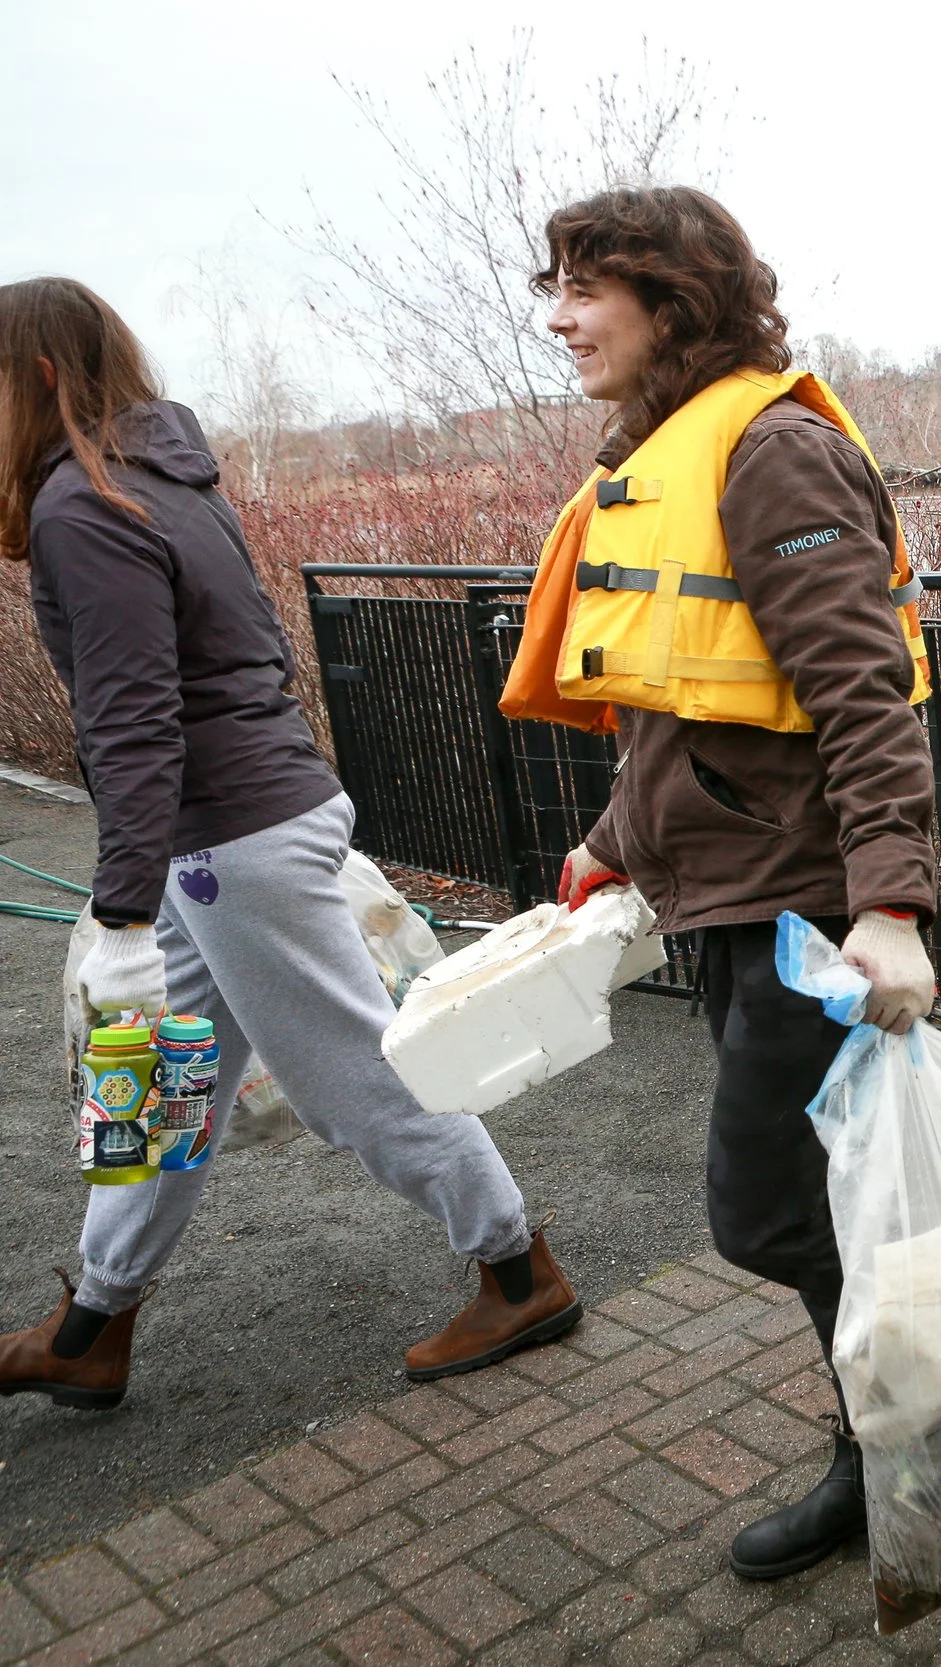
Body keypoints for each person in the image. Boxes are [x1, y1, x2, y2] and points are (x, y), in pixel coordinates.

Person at [0, 278, 578, 1411]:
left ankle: (520, 1271)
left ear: (43, 377)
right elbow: (247, 663)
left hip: (229, 841)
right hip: (239, 825)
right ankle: (92, 1321)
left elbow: (134, 720)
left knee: (356, 1076)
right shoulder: (171, 482)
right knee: (165, 1078)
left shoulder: (87, 505)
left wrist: (122, 910)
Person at [501, 187, 941, 1579]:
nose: (560, 316)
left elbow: (866, 699)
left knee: (771, 1209)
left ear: (671, 305)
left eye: (587, 288)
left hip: (812, 910)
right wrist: (616, 839)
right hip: (741, 893)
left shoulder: (773, 453)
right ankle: (900, 1439)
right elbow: (686, 706)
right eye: (554, 286)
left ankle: (925, 1415)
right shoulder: (667, 454)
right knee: (830, 1200)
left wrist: (892, 905)